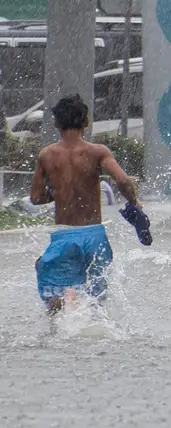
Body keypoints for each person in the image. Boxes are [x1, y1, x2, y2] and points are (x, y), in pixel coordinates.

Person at [31, 95, 141, 316]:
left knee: (54, 294)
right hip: (95, 236)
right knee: (95, 299)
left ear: (56, 123)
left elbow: (36, 198)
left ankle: (61, 336)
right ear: (86, 122)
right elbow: (123, 181)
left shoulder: (47, 155)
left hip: (64, 237)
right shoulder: (98, 152)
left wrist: (61, 191)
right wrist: (134, 202)